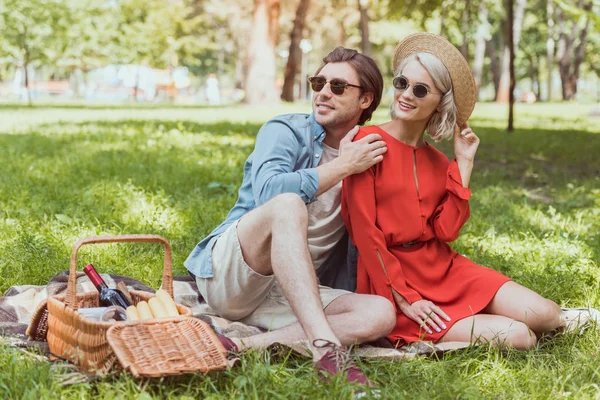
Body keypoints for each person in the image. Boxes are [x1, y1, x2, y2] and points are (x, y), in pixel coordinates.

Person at [185, 47, 396, 385]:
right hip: (234, 275)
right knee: (288, 203)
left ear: (366, 99)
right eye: (319, 82)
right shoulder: (284, 130)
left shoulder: (370, 154)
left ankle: (242, 344)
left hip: (290, 292)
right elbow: (269, 190)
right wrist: (343, 167)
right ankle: (325, 348)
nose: (324, 92)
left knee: (380, 313)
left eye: (338, 86)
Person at [341, 33, 565, 349]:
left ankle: (524, 315)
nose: (406, 95)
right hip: (392, 277)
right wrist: (407, 299)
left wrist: (463, 163)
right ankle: (481, 322)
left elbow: (445, 231)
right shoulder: (367, 142)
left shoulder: (437, 160)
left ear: (440, 102)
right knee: (520, 337)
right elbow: (363, 231)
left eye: (420, 90)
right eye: (402, 83)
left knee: (547, 315)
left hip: (443, 267)